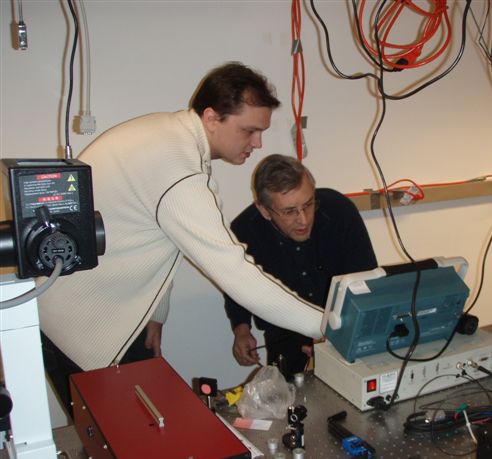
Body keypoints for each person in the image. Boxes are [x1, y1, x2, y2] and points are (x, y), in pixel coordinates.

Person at [37, 63, 324, 411]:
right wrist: (324, 324)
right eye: (249, 131)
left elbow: (156, 231)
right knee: (121, 447)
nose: (258, 143)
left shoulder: (170, 136)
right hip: (83, 326)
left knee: (141, 437)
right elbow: (237, 274)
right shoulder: (179, 169)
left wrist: (156, 313)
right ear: (212, 117)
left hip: (110, 314)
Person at [224, 154, 377, 378]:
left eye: (308, 204)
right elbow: (235, 284)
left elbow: (366, 278)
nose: (304, 220)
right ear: (264, 210)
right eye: (289, 211)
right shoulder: (243, 231)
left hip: (347, 331)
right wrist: (241, 328)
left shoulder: (339, 210)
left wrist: (339, 335)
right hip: (286, 340)